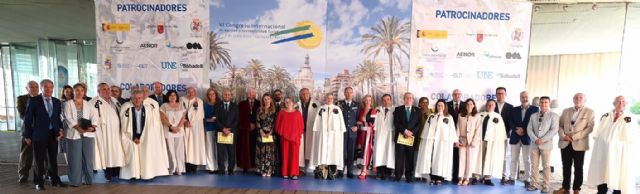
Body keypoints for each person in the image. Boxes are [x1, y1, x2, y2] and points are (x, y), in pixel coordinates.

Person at [587, 96, 638, 194]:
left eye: (623, 102)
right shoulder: (606, 115)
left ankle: (617, 192)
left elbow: (631, 136)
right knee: (602, 171)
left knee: (617, 172)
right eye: (618, 101)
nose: (621, 103)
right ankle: (601, 191)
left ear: (626, 104)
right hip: (603, 151)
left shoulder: (630, 117)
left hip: (619, 152)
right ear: (614, 103)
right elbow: (599, 130)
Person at [23, 79, 67, 190]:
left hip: (53, 134)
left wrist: (60, 129)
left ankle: (54, 180)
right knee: (39, 159)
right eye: (46, 87)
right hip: (38, 134)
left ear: (53, 88)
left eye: (50, 87)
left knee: (53, 159)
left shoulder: (57, 102)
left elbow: (57, 118)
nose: (48, 89)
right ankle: (39, 182)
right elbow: (27, 119)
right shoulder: (34, 100)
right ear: (41, 88)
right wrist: (27, 135)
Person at [119, 90, 170, 180]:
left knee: (145, 155)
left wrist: (145, 137)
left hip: (145, 135)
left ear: (143, 98)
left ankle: (146, 173)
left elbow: (151, 124)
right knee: (133, 156)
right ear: (131, 98)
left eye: (139, 98)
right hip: (130, 136)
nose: (137, 100)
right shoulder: (126, 107)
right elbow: (124, 124)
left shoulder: (148, 108)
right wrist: (133, 137)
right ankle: (133, 174)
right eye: (135, 98)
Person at [555, 93, 594, 194]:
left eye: (581, 98)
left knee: (578, 167)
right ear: (573, 100)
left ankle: (577, 188)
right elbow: (559, 125)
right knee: (566, 166)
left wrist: (573, 137)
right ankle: (565, 187)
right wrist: (563, 136)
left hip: (579, 144)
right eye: (576, 98)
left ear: (585, 100)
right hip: (565, 142)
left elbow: (589, 128)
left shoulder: (590, 112)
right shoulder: (566, 111)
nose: (578, 99)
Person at [63, 83, 99, 187]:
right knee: (75, 159)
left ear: (84, 92)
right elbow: (68, 118)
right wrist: (78, 127)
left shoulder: (88, 104)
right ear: (73, 91)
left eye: (82, 90)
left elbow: (95, 116)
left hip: (87, 134)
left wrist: (93, 126)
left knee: (88, 159)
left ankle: (88, 180)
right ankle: (75, 181)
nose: (79, 92)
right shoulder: (68, 104)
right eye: (77, 90)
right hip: (74, 134)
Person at [415, 99, 457, 185]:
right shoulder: (432, 116)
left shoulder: (449, 117)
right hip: (431, 142)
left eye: (442, 105)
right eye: (438, 105)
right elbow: (426, 128)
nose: (440, 107)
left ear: (445, 107)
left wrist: (453, 141)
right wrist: (425, 139)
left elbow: (452, 130)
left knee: (440, 160)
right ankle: (432, 177)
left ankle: (439, 178)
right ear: (436, 106)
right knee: (431, 159)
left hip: (442, 143)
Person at [91, 83, 125, 181]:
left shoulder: (114, 100)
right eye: (104, 89)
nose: (107, 91)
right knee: (107, 152)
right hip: (104, 132)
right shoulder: (95, 102)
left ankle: (116, 172)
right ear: (98, 92)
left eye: (108, 89)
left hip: (116, 131)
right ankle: (108, 173)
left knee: (116, 152)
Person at [526, 96, 559, 193]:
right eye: (542, 102)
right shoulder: (533, 115)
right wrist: (536, 139)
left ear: (549, 104)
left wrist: (543, 140)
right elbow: (529, 129)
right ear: (539, 104)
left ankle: (546, 185)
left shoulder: (554, 116)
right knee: (534, 165)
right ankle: (534, 184)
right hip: (534, 144)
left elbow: (554, 130)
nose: (544, 104)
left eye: (546, 102)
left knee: (546, 166)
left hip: (546, 145)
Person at [505, 91, 538, 186]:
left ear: (529, 98)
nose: (524, 98)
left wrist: (524, 129)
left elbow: (534, 122)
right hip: (515, 137)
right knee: (513, 159)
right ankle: (512, 178)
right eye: (522, 97)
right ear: (520, 98)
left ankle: (527, 179)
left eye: (526, 97)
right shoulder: (514, 109)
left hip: (527, 137)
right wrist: (516, 129)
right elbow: (510, 121)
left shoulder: (535, 109)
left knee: (526, 159)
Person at [310, 94, 346, 180]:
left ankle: (332, 173)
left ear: (333, 99)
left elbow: (340, 124)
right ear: (325, 99)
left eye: (331, 98)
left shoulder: (337, 109)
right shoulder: (321, 109)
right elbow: (317, 123)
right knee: (322, 151)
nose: (329, 99)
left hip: (334, 135)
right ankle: (321, 173)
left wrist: (338, 133)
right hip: (323, 134)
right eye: (328, 98)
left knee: (333, 152)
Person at [478, 99, 508, 186]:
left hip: (492, 142)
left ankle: (487, 178)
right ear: (486, 105)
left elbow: (501, 131)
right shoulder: (480, 115)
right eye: (489, 104)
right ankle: (476, 177)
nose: (490, 106)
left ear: (495, 106)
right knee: (479, 159)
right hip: (480, 141)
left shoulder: (498, 117)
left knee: (489, 160)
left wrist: (499, 143)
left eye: (492, 104)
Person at [393, 92, 420, 183]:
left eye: (410, 98)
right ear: (404, 99)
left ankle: (409, 176)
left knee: (410, 157)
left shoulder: (417, 110)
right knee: (399, 157)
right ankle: (398, 175)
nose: (409, 99)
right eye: (407, 98)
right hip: (400, 136)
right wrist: (405, 131)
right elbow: (396, 123)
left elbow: (418, 124)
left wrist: (411, 132)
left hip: (411, 138)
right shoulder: (398, 109)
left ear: (413, 100)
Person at [276, 96, 304, 179]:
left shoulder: (297, 113)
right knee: (285, 155)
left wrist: (297, 134)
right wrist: (282, 133)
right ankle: (285, 172)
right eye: (286, 102)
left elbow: (301, 125)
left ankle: (294, 173)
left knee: (294, 156)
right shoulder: (281, 112)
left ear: (293, 103)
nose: (287, 103)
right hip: (284, 137)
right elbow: (277, 125)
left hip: (295, 138)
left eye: (289, 101)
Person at [17, 80, 39, 184]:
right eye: (31, 87)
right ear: (27, 88)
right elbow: (22, 115)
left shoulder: (43, 98)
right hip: (27, 130)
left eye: (36, 87)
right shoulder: (21, 99)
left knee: (42, 153)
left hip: (41, 130)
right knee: (26, 154)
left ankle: (43, 174)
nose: (34, 89)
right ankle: (23, 175)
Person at [160, 90, 186, 175]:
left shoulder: (181, 105)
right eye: (170, 95)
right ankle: (172, 169)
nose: (172, 97)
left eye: (174, 95)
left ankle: (180, 169)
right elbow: (162, 118)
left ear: (176, 96)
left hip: (179, 130)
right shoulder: (164, 106)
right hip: (168, 130)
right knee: (170, 150)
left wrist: (178, 127)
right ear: (168, 97)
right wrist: (171, 127)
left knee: (179, 150)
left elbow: (183, 118)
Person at [182, 87, 207, 173]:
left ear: (195, 92)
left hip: (196, 127)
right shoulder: (182, 99)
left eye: (192, 92)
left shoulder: (199, 101)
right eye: (189, 91)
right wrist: (185, 122)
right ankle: (186, 166)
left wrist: (190, 122)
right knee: (186, 145)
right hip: (185, 126)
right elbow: (180, 112)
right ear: (186, 92)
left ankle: (194, 166)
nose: (190, 93)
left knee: (194, 146)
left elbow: (200, 115)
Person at [457, 98, 481, 186]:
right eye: (467, 104)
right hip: (462, 140)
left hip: (471, 141)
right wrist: (457, 140)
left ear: (474, 105)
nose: (469, 106)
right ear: (465, 106)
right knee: (462, 159)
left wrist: (474, 141)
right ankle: (461, 177)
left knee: (469, 160)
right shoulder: (460, 115)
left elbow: (478, 130)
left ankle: (467, 178)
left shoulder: (477, 116)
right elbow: (458, 128)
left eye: (471, 104)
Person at [215, 89, 239, 175]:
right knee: (220, 153)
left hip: (231, 132)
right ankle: (221, 169)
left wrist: (229, 129)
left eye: (228, 94)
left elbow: (237, 120)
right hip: (220, 132)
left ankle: (231, 170)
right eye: (225, 94)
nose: (227, 96)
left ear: (231, 96)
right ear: (222, 95)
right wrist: (223, 129)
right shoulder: (217, 105)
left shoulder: (235, 106)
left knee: (231, 152)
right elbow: (216, 119)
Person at [296, 88, 319, 175]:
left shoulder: (316, 104)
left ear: (309, 94)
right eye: (303, 94)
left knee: (310, 148)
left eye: (307, 94)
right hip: (300, 130)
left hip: (311, 130)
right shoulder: (297, 105)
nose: (305, 96)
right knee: (300, 150)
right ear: (300, 95)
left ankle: (311, 167)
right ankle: (301, 168)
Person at [338, 87, 359, 178]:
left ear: (352, 93)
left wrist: (357, 126)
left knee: (351, 152)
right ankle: (340, 170)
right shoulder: (339, 104)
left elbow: (359, 118)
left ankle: (350, 171)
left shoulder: (357, 105)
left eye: (350, 92)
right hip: (342, 132)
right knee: (341, 152)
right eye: (347, 92)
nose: (348, 94)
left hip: (352, 133)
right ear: (344, 93)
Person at [373, 94, 395, 180]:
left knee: (389, 153)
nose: (386, 102)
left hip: (390, 134)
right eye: (384, 100)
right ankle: (379, 172)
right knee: (379, 153)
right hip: (380, 134)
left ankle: (388, 172)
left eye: (388, 99)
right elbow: (371, 121)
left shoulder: (395, 110)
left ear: (391, 100)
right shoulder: (377, 110)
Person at [237, 88, 260, 173]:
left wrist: (255, 125)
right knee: (245, 149)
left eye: (253, 92)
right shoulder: (241, 104)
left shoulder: (259, 103)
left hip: (257, 130)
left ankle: (256, 166)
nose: (251, 94)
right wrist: (247, 125)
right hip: (245, 130)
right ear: (247, 94)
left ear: (255, 94)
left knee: (255, 148)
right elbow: (239, 117)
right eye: (250, 93)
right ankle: (245, 166)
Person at [495, 87, 514, 185]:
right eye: (498, 93)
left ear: (505, 94)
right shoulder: (492, 105)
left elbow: (511, 122)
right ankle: (489, 175)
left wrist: (506, 133)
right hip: (493, 137)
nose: (500, 95)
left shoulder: (511, 107)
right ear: (496, 95)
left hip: (506, 135)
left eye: (502, 93)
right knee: (493, 155)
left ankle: (505, 176)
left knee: (507, 156)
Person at [255, 93, 277, 177]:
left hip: (271, 135)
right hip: (261, 134)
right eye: (265, 99)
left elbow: (275, 123)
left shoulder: (274, 111)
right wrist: (261, 132)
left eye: (268, 99)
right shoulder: (259, 110)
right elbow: (257, 121)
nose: (267, 101)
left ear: (271, 100)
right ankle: (261, 170)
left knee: (269, 152)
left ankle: (269, 170)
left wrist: (270, 132)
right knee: (261, 153)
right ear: (263, 101)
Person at [355, 95, 376, 179]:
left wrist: (362, 122)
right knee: (361, 151)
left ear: (371, 101)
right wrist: (361, 123)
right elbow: (359, 122)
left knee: (367, 151)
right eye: (366, 100)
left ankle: (364, 170)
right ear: (364, 101)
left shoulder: (373, 110)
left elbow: (373, 123)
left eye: (369, 100)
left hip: (369, 133)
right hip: (361, 133)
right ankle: (363, 170)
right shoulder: (362, 110)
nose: (367, 101)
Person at [447, 89, 465, 183]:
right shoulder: (446, 105)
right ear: (452, 95)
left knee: (458, 157)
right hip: (448, 135)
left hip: (461, 135)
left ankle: (456, 177)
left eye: (459, 94)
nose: (457, 95)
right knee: (448, 156)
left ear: (461, 95)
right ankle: (447, 176)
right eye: (455, 94)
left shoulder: (465, 105)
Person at [203, 87, 220, 174]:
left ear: (216, 94)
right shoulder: (205, 105)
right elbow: (202, 118)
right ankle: (211, 167)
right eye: (210, 94)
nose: (212, 95)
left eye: (213, 94)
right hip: (209, 128)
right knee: (210, 149)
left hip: (219, 129)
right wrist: (209, 120)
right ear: (208, 96)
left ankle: (218, 167)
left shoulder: (220, 104)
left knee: (219, 149)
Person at [415, 97, 432, 167]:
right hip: (417, 137)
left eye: (426, 102)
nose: (425, 104)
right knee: (417, 156)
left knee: (427, 157)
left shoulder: (432, 113)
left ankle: (424, 175)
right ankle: (417, 174)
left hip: (428, 139)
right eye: (423, 102)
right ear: (419, 104)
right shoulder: (416, 112)